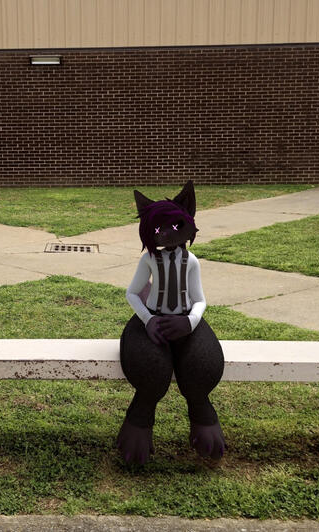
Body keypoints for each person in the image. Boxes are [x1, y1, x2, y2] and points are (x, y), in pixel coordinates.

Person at [117, 180, 226, 465]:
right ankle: (140, 417)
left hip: (184, 319)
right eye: (157, 230)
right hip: (153, 318)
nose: (166, 234)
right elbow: (132, 293)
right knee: (150, 367)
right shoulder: (148, 260)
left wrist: (190, 323)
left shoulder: (192, 262)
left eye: (174, 227)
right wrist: (149, 320)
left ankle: (202, 412)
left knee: (202, 363)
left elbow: (200, 299)